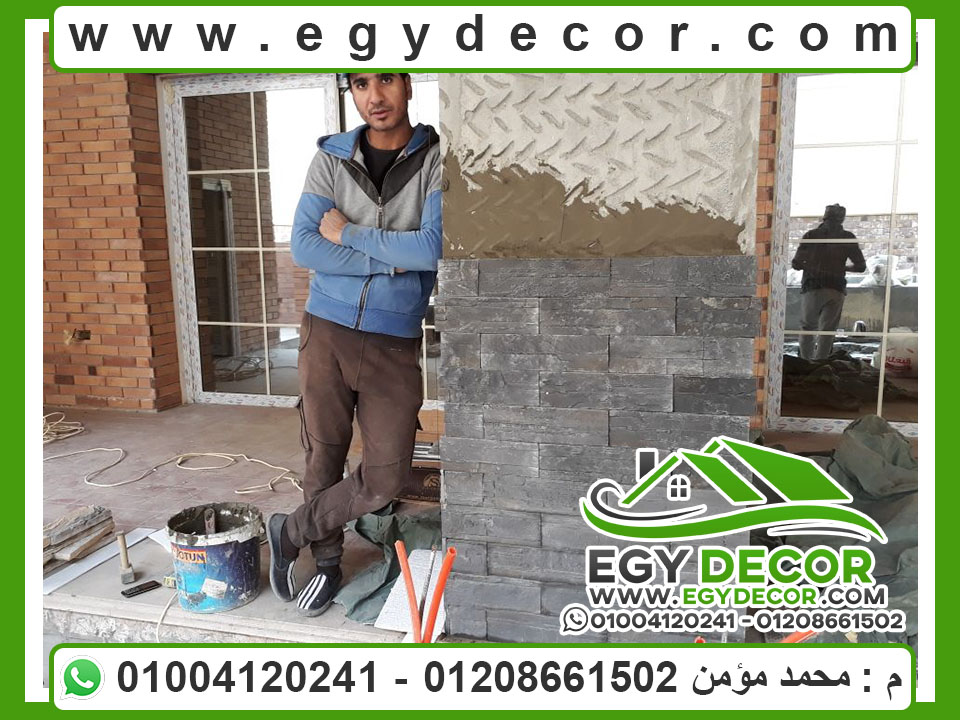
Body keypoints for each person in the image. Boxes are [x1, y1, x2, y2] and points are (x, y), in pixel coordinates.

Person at [267, 73, 441, 616]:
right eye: (361, 84)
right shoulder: (331, 159)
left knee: (388, 474)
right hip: (327, 330)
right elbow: (304, 246)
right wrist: (390, 259)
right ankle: (325, 562)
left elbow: (432, 248)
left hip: (393, 341)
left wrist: (348, 234)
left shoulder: (436, 161)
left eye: (386, 80)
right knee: (324, 451)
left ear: (407, 85)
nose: (375, 96)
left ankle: (290, 530)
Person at [791, 204, 866, 361]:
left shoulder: (811, 236)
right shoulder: (848, 237)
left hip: (813, 287)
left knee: (808, 328)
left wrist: (812, 266)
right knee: (828, 331)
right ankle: (821, 364)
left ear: (824, 217)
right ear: (842, 219)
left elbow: (796, 264)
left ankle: (806, 363)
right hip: (836, 289)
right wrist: (841, 267)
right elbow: (860, 267)